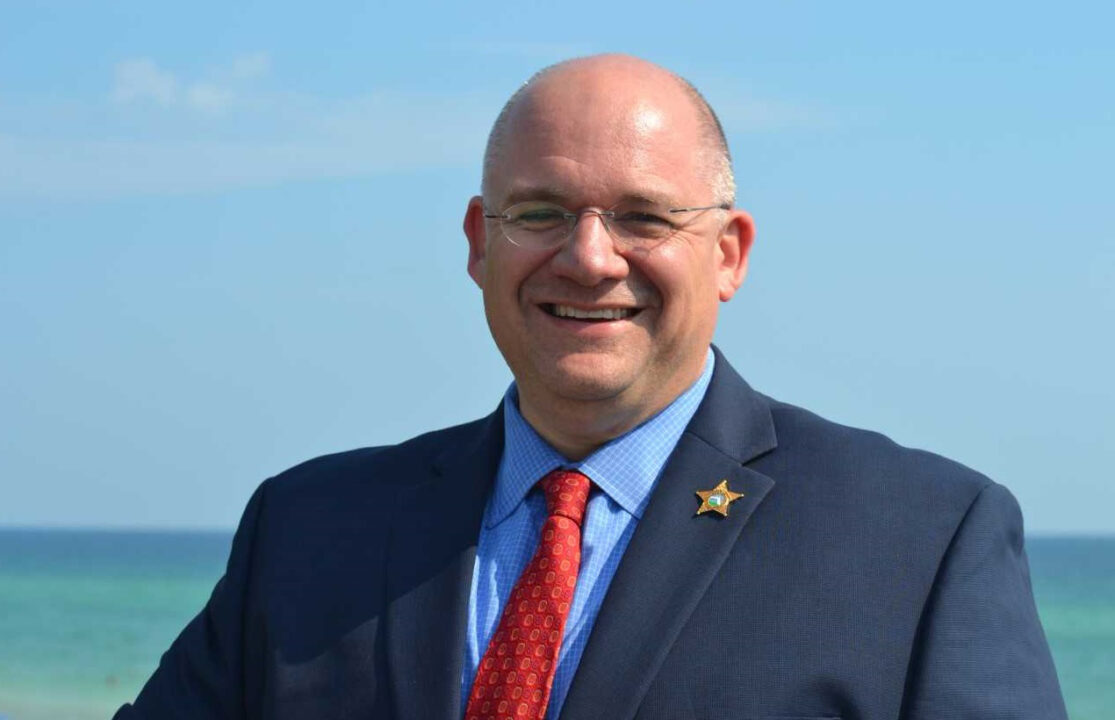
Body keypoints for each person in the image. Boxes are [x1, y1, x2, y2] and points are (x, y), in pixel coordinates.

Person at [115, 54, 1067, 720]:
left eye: (643, 217)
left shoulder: (919, 540)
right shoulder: (309, 527)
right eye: (540, 212)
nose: (588, 258)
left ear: (727, 254)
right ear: (478, 244)